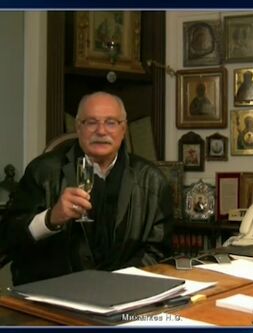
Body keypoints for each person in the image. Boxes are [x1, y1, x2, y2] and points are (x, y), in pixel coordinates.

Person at [0, 92, 173, 285]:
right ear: (78, 127)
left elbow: (159, 252)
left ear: (123, 129)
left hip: (126, 293)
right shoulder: (42, 172)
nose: (101, 131)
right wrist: (50, 219)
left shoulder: (152, 180)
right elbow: (8, 238)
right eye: (91, 122)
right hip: (55, 293)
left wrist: (119, 284)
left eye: (111, 123)